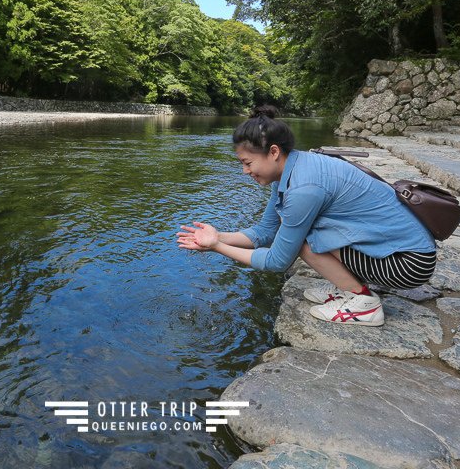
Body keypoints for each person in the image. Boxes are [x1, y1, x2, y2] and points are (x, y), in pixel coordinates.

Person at [176, 105, 437, 327]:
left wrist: (218, 247)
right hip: (395, 250)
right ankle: (347, 286)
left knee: (303, 240)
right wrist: (218, 235)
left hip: (409, 263)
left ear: (274, 152)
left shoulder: (303, 189)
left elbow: (278, 261)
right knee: (297, 233)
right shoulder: (292, 169)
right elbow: (266, 231)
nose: (245, 171)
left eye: (247, 163)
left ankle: (364, 303)